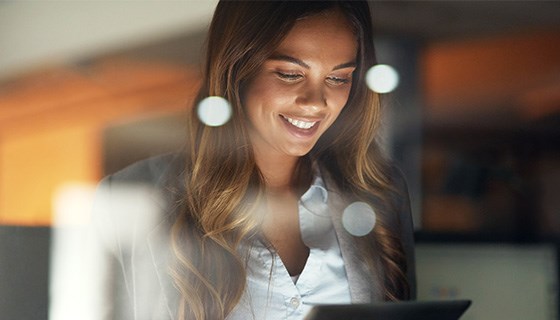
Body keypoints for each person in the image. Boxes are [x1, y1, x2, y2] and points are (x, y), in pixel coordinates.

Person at [86, 1, 416, 320]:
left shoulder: (379, 193)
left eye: (338, 78)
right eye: (289, 74)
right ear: (236, 70)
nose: (316, 103)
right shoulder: (132, 197)